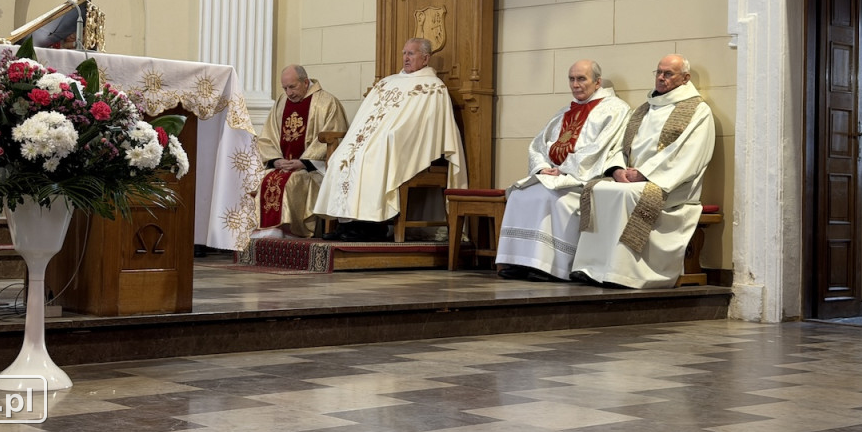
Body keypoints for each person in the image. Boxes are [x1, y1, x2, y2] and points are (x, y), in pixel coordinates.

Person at [571, 54, 715, 289]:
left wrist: (644, 174)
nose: (661, 78)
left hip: (671, 185)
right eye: (658, 72)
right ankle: (592, 267)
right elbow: (620, 145)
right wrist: (617, 170)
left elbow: (688, 155)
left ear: (685, 78)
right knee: (596, 189)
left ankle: (624, 272)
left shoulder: (698, 111)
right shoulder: (643, 110)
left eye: (668, 74)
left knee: (628, 195)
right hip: (633, 178)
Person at [313, 37, 467, 241]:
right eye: (404, 53)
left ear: (426, 58)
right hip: (374, 142)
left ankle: (371, 226)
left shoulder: (433, 87)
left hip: (402, 145)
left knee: (371, 159)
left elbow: (426, 124)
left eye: (411, 54)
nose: (405, 57)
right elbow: (363, 117)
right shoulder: (387, 82)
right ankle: (347, 224)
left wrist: (392, 135)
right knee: (341, 158)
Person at [496, 60, 631, 281]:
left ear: (597, 82)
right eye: (572, 79)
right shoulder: (565, 111)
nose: (575, 85)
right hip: (556, 174)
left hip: (584, 178)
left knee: (551, 196)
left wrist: (565, 170)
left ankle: (550, 266)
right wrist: (542, 168)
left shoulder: (615, 109)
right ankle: (519, 262)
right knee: (520, 195)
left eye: (581, 79)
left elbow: (601, 148)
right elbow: (539, 144)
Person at [253, 65, 349, 238]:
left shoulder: (326, 102)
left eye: (292, 87)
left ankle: (291, 230)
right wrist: (276, 160)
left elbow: (336, 137)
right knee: (264, 179)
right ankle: (270, 229)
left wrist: (304, 162)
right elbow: (268, 136)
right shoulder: (282, 103)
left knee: (293, 180)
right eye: (285, 88)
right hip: (284, 164)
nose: (289, 93)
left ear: (305, 82)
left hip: (313, 169)